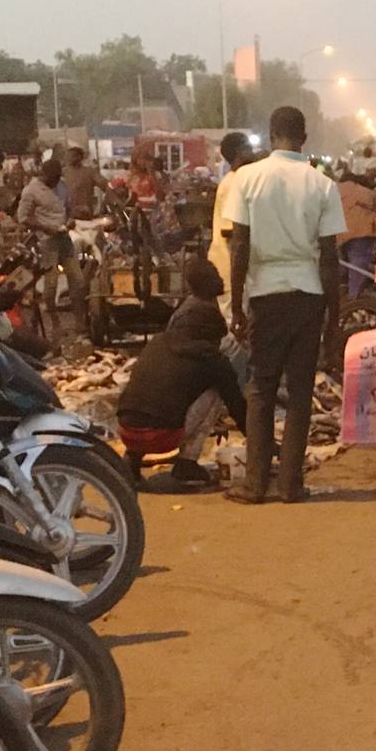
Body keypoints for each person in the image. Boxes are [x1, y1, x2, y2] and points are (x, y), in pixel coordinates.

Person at [224, 106, 347, 505]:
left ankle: (255, 484)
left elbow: (238, 245)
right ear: (304, 138)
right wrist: (334, 318)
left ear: (271, 133)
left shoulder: (246, 179)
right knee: (299, 391)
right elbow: (329, 259)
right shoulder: (323, 185)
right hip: (308, 294)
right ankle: (291, 484)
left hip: (265, 293)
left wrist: (238, 304)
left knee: (260, 387)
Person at [117, 259, 247, 488]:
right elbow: (237, 407)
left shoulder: (159, 341)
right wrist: (263, 446)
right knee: (218, 391)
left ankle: (131, 460)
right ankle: (187, 461)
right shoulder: (213, 359)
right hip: (161, 437)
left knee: (153, 393)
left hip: (126, 430)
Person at [16, 158, 87, 349]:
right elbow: (23, 218)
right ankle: (54, 321)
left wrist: (71, 220)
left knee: (78, 281)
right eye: (54, 178)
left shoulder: (62, 187)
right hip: (47, 241)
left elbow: (69, 208)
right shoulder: (31, 191)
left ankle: (80, 324)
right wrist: (46, 228)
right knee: (51, 285)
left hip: (64, 238)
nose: (57, 182)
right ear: (45, 175)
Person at [208, 132, 256, 321]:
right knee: (233, 327)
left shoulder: (236, 179)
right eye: (248, 148)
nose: (252, 152)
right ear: (239, 152)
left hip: (234, 267)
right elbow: (232, 233)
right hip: (229, 267)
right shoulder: (235, 182)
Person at [337, 173, 376, 297]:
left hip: (336, 234)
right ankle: (354, 297)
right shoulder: (368, 193)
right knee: (358, 265)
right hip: (362, 233)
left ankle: (341, 295)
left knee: (340, 264)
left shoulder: (332, 190)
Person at [63, 146, 115, 219]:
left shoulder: (89, 172)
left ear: (79, 157)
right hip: (67, 214)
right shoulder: (63, 172)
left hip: (85, 213)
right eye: (68, 156)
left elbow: (105, 185)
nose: (69, 158)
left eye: (72, 156)